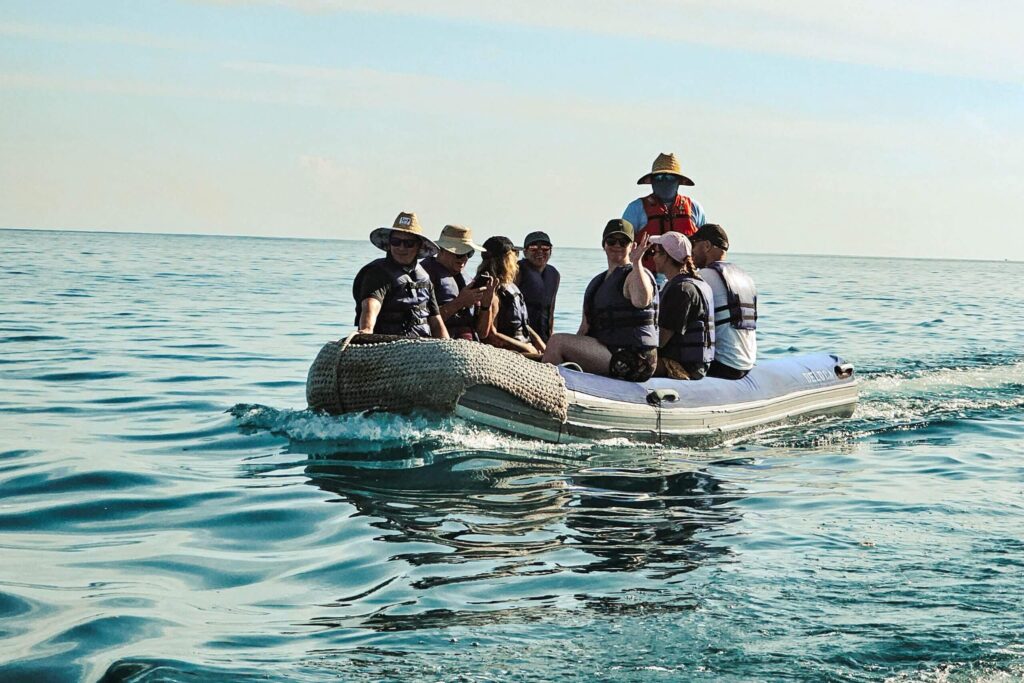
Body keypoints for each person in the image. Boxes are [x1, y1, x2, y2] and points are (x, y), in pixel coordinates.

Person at [542, 219, 658, 381]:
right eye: (611, 241)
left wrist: (637, 262)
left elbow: (641, 301)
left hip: (636, 358)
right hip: (608, 351)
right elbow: (584, 328)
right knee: (558, 344)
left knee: (557, 342)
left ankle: (544, 389)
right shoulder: (597, 282)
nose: (617, 245)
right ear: (604, 245)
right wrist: (572, 350)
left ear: (632, 246)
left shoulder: (635, 274)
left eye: (623, 241)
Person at [352, 212, 449, 338]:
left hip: (423, 345)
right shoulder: (377, 272)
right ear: (389, 243)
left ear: (419, 246)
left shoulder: (424, 276)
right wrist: (366, 330)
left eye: (408, 243)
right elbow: (371, 305)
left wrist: (447, 345)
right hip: (389, 344)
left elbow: (435, 319)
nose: (401, 248)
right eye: (396, 242)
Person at [622, 152, 707, 275]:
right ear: (652, 181)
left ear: (678, 181)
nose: (664, 182)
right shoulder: (636, 208)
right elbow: (622, 245)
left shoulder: (694, 208)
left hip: (687, 275)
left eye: (670, 178)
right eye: (659, 178)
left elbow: (705, 247)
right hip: (647, 276)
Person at [690, 223, 756, 379]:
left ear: (706, 246)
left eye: (694, 245)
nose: (692, 251)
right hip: (747, 363)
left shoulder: (704, 276)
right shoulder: (745, 277)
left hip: (723, 365)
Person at [648, 232, 714, 380]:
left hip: (685, 366)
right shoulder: (695, 283)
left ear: (666, 256)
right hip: (696, 363)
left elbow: (661, 341)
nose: (653, 257)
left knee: (629, 363)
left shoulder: (681, 290)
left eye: (656, 253)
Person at [475, 236, 546, 356]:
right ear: (505, 259)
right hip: (507, 354)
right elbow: (491, 335)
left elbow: (524, 325)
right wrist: (527, 349)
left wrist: (539, 342)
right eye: (514, 254)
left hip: (525, 346)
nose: (516, 260)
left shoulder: (510, 285)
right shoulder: (491, 288)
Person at [419, 224, 487, 340]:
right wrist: (460, 302)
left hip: (471, 344)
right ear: (441, 250)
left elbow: (482, 333)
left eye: (468, 254)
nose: (464, 259)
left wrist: (487, 304)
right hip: (440, 346)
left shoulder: (466, 278)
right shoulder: (424, 275)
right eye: (459, 254)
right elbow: (422, 322)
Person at [517, 230, 560, 342]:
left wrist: (550, 338)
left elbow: (551, 310)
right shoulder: (517, 270)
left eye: (545, 248)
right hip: (521, 335)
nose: (540, 252)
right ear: (525, 252)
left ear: (551, 250)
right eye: (534, 248)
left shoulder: (554, 274)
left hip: (543, 336)